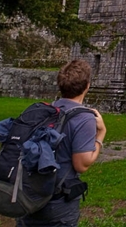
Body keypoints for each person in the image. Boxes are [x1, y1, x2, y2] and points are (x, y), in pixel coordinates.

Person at [17, 60, 107, 227]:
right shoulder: (84, 118)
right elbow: (82, 164)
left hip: (29, 196)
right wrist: (101, 134)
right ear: (87, 86)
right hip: (58, 203)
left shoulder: (46, 111)